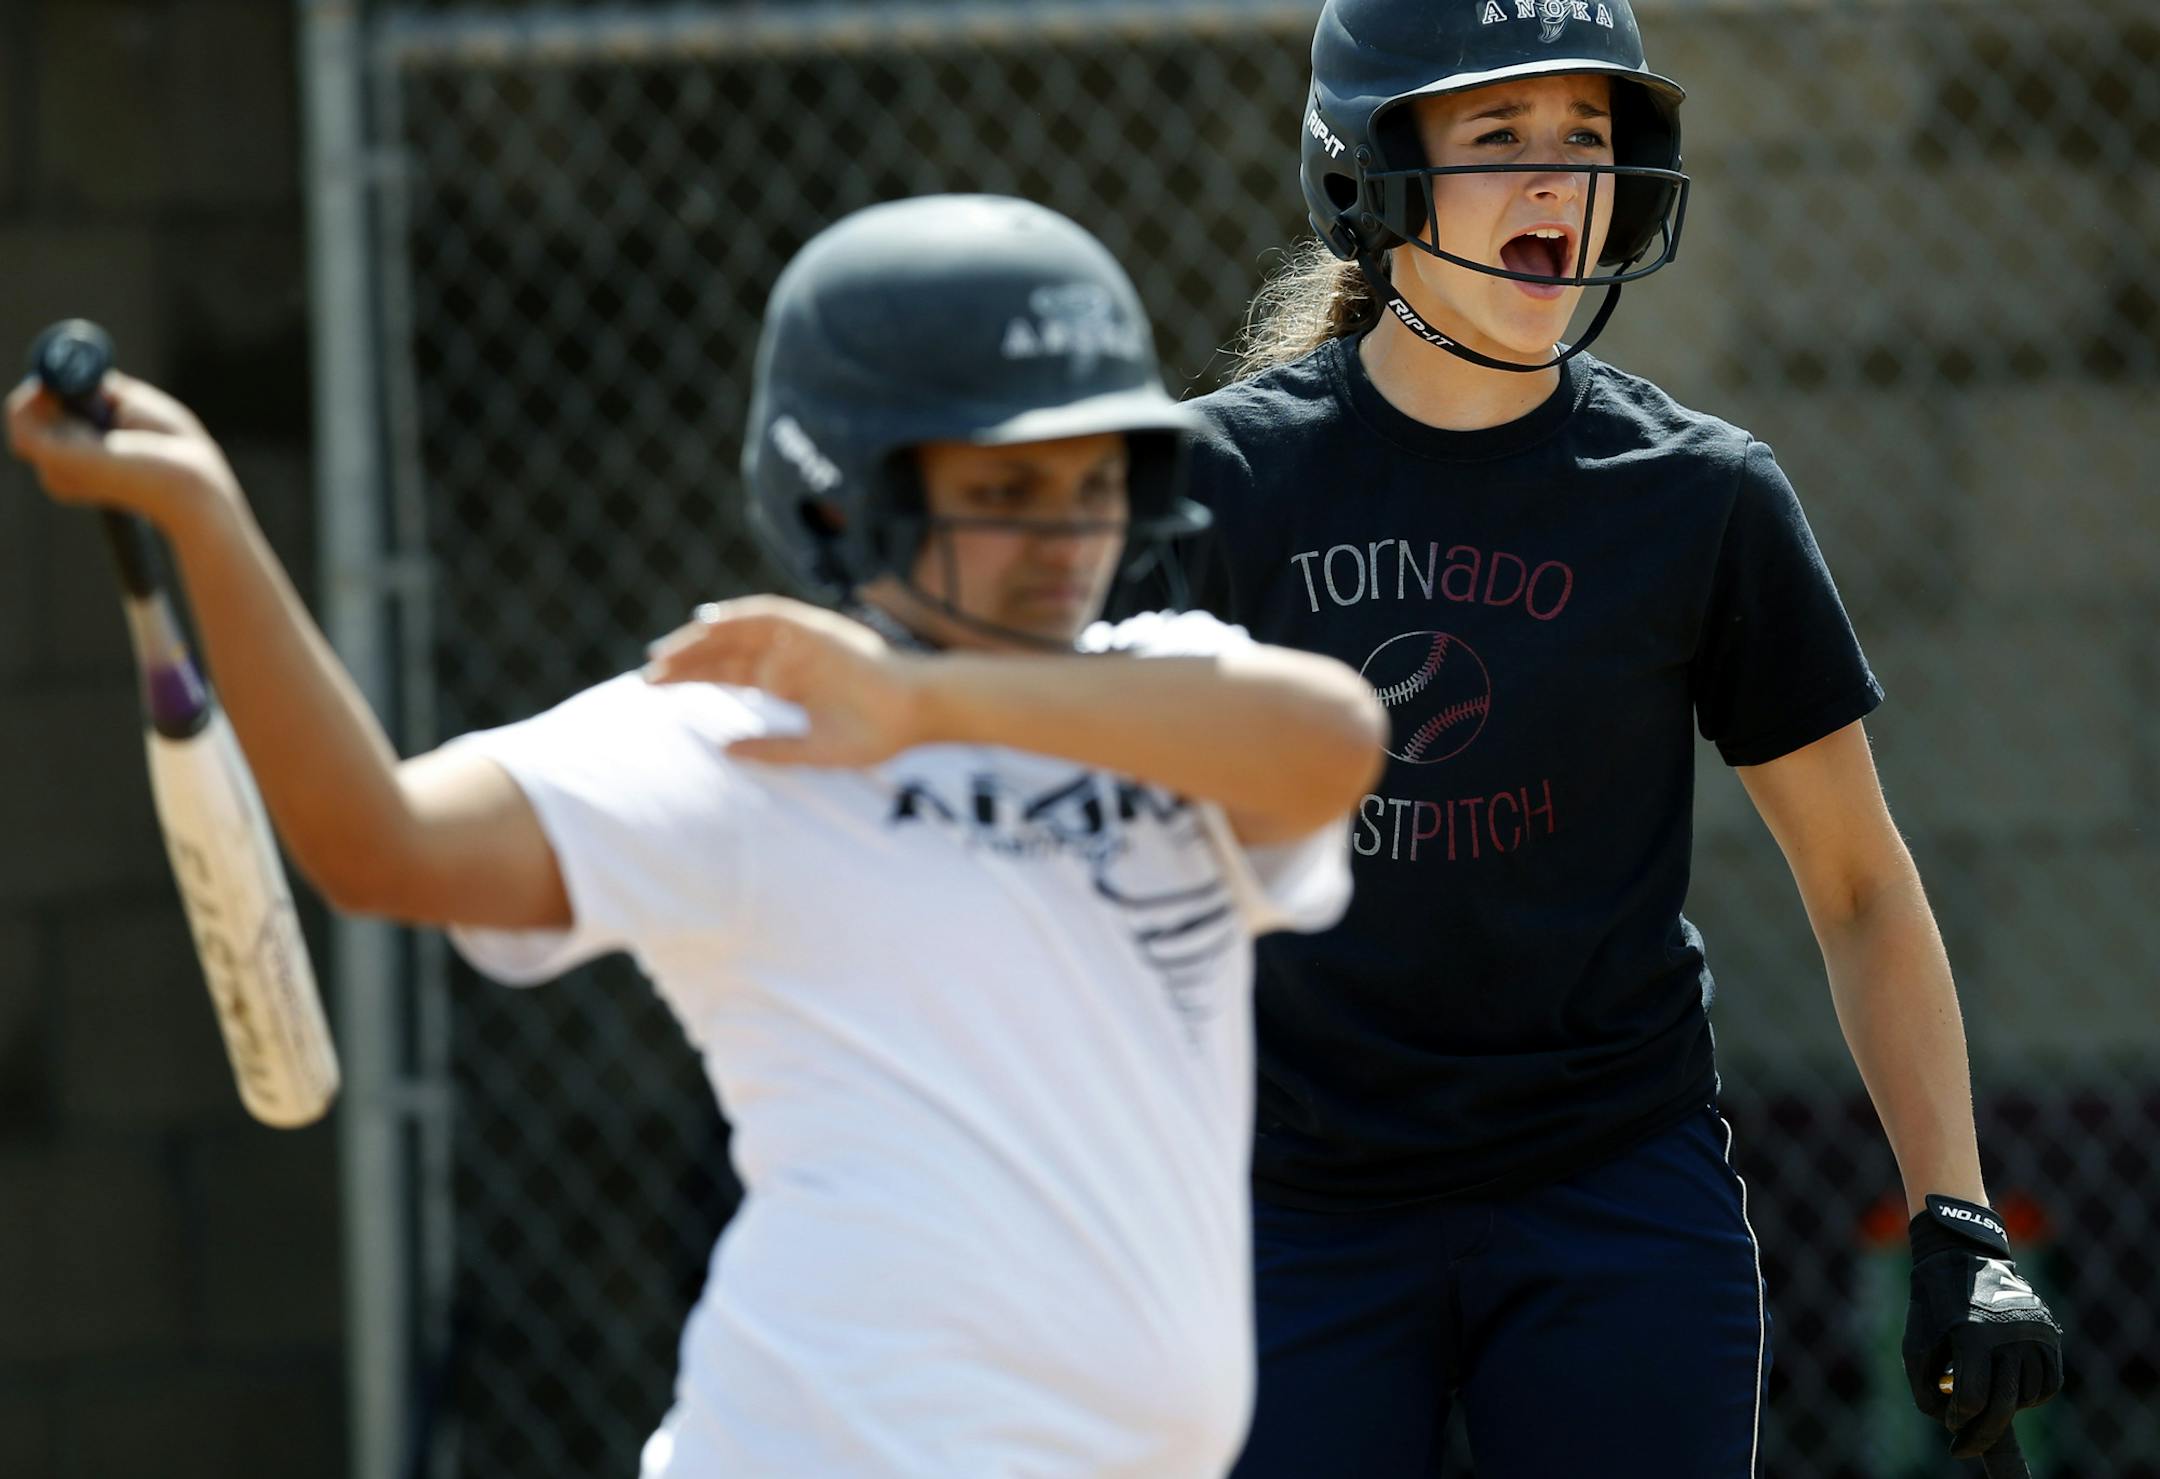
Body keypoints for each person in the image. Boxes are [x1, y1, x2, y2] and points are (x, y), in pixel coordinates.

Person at [7, 194, 1388, 1477]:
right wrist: (208, 514)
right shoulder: (742, 731)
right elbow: (383, 843)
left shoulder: (1155, 693)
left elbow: (1335, 740)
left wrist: (916, 702)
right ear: (844, 494)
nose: (1068, 537)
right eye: (1006, 490)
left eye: (1096, 482)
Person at [1151, 2, 2066, 1474]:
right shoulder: (1214, 491)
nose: (1555, 183)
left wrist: (1957, 1219)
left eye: (1586, 139)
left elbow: (1856, 884)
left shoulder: (1697, 500)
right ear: (1367, 177)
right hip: (1285, 1203)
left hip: (1608, 1197)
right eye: (1497, 136)